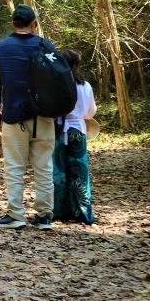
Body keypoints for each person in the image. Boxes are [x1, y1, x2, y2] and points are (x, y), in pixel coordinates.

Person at [0, 4, 56, 230]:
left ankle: (16, 214)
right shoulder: (45, 45)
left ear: (13, 23)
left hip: (14, 115)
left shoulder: (1, 47)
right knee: (44, 166)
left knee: (15, 166)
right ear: (33, 23)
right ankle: (45, 216)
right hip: (44, 115)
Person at [52, 49, 96, 224]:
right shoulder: (85, 86)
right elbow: (90, 112)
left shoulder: (57, 85)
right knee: (79, 170)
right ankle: (82, 212)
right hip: (78, 129)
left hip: (60, 130)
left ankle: (59, 211)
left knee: (59, 170)